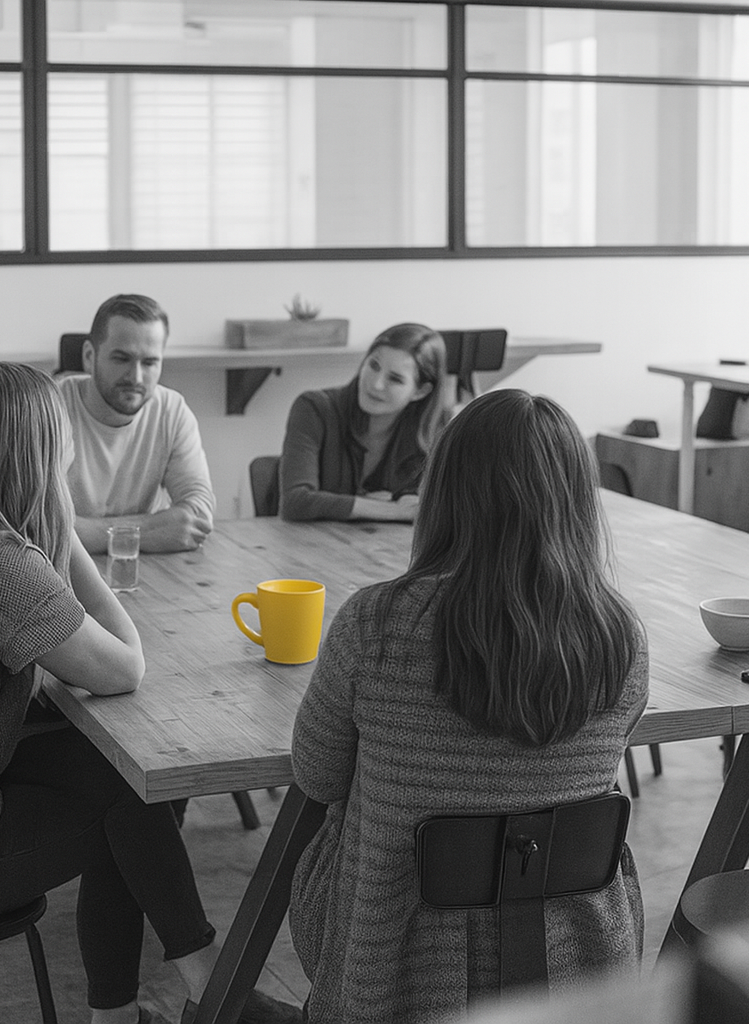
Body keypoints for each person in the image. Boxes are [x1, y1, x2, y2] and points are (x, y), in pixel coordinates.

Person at [289, 389, 649, 1024]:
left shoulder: (374, 623)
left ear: (444, 490)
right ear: (574, 501)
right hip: (572, 960)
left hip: (394, 970)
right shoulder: (620, 634)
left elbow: (316, 778)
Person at [0, 364, 298, 1024]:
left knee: (123, 778)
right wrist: (62, 529)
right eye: (63, 438)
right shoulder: (8, 568)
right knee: (129, 792)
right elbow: (125, 666)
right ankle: (214, 990)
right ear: (39, 451)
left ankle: (170, 996)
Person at [59, 294, 215, 554]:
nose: (136, 377)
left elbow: (197, 516)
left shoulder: (172, 410)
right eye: (121, 359)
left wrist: (84, 532)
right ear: (89, 356)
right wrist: (148, 533)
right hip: (59, 575)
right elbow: (34, 530)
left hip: (144, 572)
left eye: (150, 362)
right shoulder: (48, 409)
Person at [279, 322, 452, 522]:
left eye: (395, 379)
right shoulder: (314, 408)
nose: (376, 384)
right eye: (373, 365)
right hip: (307, 547)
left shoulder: (433, 429)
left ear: (420, 391)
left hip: (382, 548)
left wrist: (401, 501)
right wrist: (395, 510)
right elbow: (295, 503)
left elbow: (435, 506)